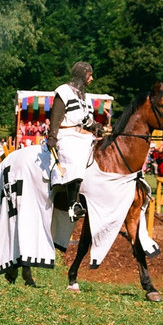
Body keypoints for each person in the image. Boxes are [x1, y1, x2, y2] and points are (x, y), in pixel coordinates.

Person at [46, 61, 101, 222]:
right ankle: (72, 205)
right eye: (90, 75)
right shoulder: (64, 91)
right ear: (82, 74)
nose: (92, 79)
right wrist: (52, 137)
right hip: (67, 134)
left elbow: (86, 120)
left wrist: (97, 126)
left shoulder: (86, 97)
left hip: (83, 135)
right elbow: (56, 115)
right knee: (75, 156)